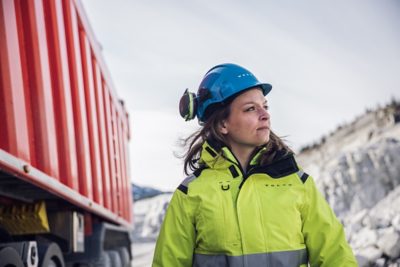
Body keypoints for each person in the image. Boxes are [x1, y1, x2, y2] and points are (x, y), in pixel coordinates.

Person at [152, 63, 357, 267]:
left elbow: (337, 258)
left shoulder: (298, 184)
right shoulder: (190, 194)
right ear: (223, 124)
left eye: (265, 106)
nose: (265, 114)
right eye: (251, 108)